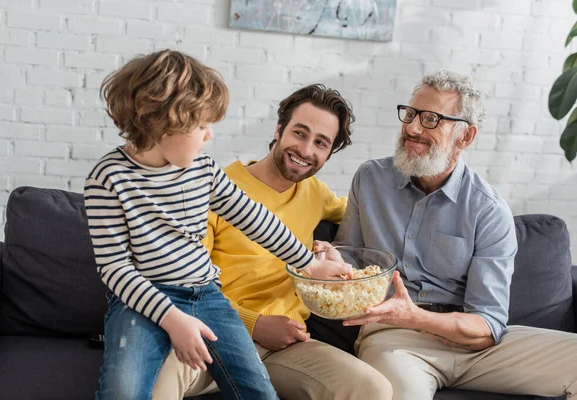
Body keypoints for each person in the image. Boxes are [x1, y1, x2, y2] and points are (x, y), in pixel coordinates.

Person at [83, 50, 354, 400]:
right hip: (139, 302)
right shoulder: (108, 179)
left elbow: (256, 219)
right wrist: (170, 317)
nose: (209, 135)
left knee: (258, 391)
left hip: (206, 296)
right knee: (123, 391)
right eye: (202, 125)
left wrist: (310, 263)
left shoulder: (203, 171)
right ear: (162, 121)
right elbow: (115, 269)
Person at [315, 70, 577, 399]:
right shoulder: (371, 179)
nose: (411, 128)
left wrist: (418, 316)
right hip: (394, 337)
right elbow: (351, 255)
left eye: (431, 119)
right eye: (410, 114)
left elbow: (487, 325)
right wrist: (334, 259)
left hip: (475, 346)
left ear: (465, 137)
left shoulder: (487, 209)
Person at [153, 84, 393, 399]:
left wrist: (334, 252)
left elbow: (362, 210)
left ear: (329, 153)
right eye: (300, 133)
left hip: (287, 349)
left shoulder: (316, 195)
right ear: (279, 129)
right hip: (212, 333)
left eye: (321, 143)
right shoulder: (214, 191)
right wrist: (254, 324)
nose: (307, 150)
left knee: (373, 388)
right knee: (155, 376)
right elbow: (185, 289)